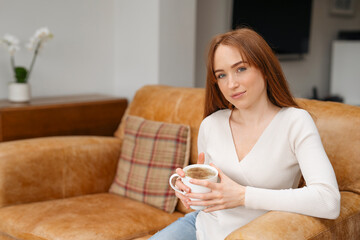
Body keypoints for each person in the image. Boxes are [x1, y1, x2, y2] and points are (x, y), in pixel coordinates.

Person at [150, 27, 340, 240]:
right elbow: (210, 198)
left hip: (256, 234)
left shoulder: (295, 122)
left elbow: (328, 201)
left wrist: (243, 196)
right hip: (201, 226)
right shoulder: (211, 125)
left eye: (240, 69)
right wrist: (190, 191)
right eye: (221, 75)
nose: (231, 84)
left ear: (265, 68)